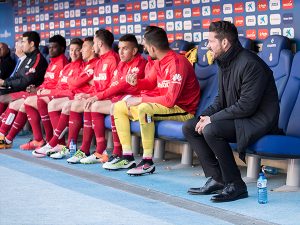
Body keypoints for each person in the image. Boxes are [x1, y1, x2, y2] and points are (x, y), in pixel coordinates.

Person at [182, 21, 280, 202]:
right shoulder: (224, 62)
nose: (208, 45)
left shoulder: (251, 63)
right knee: (190, 126)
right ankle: (218, 178)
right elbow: (221, 100)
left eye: (211, 41)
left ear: (225, 43)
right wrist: (204, 116)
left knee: (212, 129)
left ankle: (236, 185)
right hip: (240, 118)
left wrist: (211, 120)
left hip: (258, 121)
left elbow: (246, 106)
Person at [110, 26, 200, 175]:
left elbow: (170, 101)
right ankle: (127, 157)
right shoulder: (159, 61)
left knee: (145, 108)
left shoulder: (178, 63)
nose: (144, 49)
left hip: (182, 110)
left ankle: (147, 161)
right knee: (120, 106)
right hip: (164, 106)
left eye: (145, 46)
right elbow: (150, 82)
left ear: (152, 48)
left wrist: (140, 99)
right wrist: (136, 82)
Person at [76, 34, 147, 164]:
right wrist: (93, 96)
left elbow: (121, 85)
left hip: (135, 99)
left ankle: (117, 152)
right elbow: (114, 85)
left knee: (113, 106)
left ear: (134, 51)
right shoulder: (121, 64)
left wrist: (97, 96)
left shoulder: (139, 63)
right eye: (119, 48)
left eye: (125, 48)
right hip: (120, 97)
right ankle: (101, 150)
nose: (120, 52)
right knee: (93, 105)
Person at [33, 37, 98, 158]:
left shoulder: (86, 65)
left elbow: (73, 86)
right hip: (77, 96)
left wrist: (75, 86)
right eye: (71, 50)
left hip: (79, 97)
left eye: (80, 49)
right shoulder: (69, 67)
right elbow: (64, 84)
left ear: (93, 49)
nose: (75, 53)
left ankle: (57, 143)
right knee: (43, 101)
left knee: (66, 104)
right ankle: (59, 143)